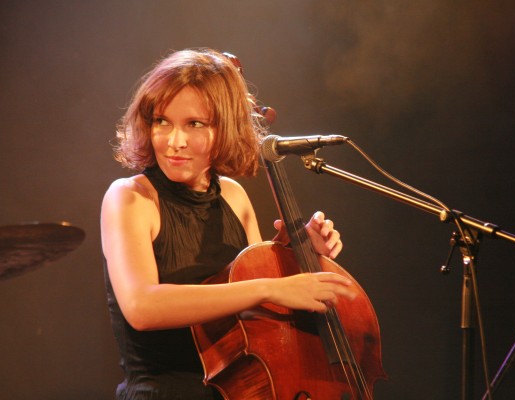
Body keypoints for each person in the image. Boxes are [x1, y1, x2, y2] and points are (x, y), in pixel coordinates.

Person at [100, 48, 354, 399]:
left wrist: (298, 255)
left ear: (225, 128)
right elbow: (142, 307)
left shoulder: (234, 196)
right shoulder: (130, 197)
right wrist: (269, 287)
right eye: (162, 121)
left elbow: (258, 321)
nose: (174, 141)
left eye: (194, 124)